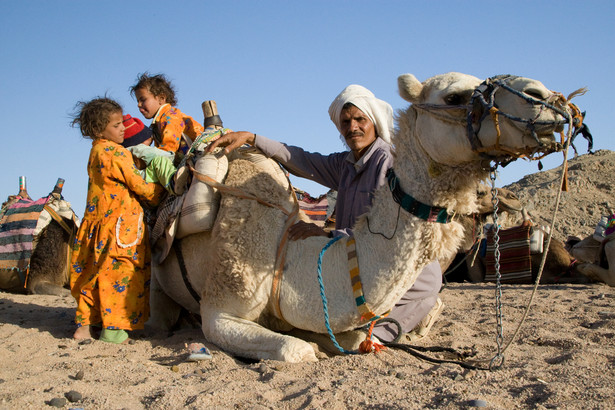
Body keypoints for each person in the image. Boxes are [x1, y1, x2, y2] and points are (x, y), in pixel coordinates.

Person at [206, 84, 443, 343]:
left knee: (402, 308)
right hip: (356, 254)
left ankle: (387, 333)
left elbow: (383, 230)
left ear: (373, 122)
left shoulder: (386, 162)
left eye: (360, 119)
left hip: (392, 257)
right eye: (346, 121)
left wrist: (327, 233)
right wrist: (252, 138)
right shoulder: (345, 164)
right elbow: (302, 159)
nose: (353, 127)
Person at [69, 97, 164, 344]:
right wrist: (164, 190)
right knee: (120, 276)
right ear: (99, 130)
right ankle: (114, 331)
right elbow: (140, 186)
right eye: (116, 125)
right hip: (120, 228)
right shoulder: (117, 153)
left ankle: (85, 326)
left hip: (97, 224)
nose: (123, 128)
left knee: (92, 274)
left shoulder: (95, 151)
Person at [130, 72, 204, 160]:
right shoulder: (157, 123)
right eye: (138, 101)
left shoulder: (170, 116)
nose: (138, 105)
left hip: (200, 153)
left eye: (143, 100)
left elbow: (168, 148)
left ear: (161, 98)